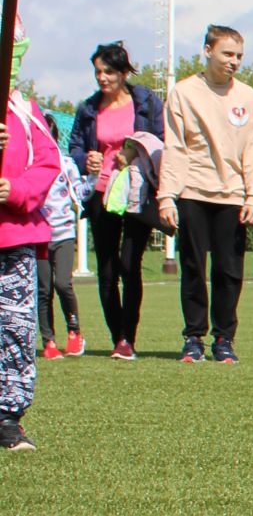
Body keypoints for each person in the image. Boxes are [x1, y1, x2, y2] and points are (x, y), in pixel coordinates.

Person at [157, 25, 253, 363]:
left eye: (239, 56)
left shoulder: (247, 97)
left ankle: (224, 339)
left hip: (233, 196)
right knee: (193, 269)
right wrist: (166, 196)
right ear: (207, 51)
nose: (234, 62)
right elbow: (174, 146)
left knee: (229, 271)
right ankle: (193, 338)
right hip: (192, 191)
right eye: (227, 54)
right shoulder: (183, 92)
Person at [69, 41, 165, 360]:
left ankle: (128, 337)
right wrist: (88, 161)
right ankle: (118, 338)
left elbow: (160, 142)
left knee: (129, 264)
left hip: (136, 193)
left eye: (108, 71)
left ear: (124, 73)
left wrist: (132, 151)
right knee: (107, 269)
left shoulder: (147, 102)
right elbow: (76, 149)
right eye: (97, 71)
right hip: (101, 194)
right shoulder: (87, 108)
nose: (102, 78)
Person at [0, 37, 61, 451]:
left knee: (16, 328)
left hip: (14, 236)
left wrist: (15, 190)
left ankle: (7, 416)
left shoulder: (24, 110)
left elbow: (47, 160)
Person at [38, 143, 86, 359]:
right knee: (44, 289)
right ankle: (48, 340)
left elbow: (81, 192)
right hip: (38, 235)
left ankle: (74, 330)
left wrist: (93, 177)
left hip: (64, 233)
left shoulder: (66, 164)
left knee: (62, 283)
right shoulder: (29, 165)